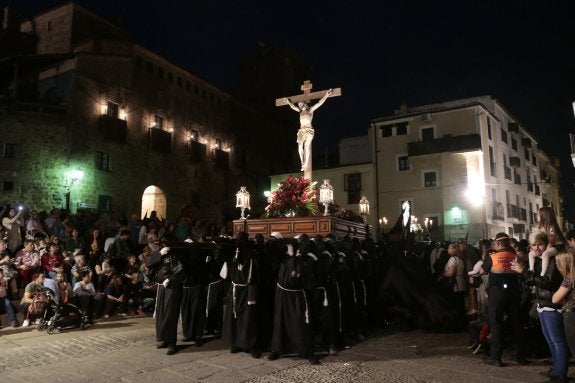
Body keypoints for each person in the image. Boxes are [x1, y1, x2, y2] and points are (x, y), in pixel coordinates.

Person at [512, 232, 568, 382]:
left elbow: (546, 282)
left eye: (540, 244)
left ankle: (561, 373)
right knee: (550, 340)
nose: (536, 248)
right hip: (541, 304)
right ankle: (557, 369)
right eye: (533, 245)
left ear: (546, 244)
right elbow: (533, 281)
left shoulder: (552, 260)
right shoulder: (537, 259)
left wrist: (523, 271)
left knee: (557, 341)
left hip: (551, 304)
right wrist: (522, 272)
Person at [480, 232, 524, 367]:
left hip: (497, 294)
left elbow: (482, 271)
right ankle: (520, 356)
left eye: (494, 243)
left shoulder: (492, 257)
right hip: (513, 293)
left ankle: (496, 357)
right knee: (516, 324)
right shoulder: (516, 257)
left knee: (496, 324)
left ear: (498, 244)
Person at [146, 246, 184, 355]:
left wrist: (171, 279)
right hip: (161, 287)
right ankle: (163, 339)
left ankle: (172, 342)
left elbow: (180, 271)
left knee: (170, 314)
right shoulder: (160, 254)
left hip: (172, 287)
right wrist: (160, 254)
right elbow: (149, 264)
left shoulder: (176, 255)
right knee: (161, 314)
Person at [283, 88, 333, 171]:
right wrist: (288, 102)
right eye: (299, 105)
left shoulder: (310, 110)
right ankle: (302, 162)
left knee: (306, 146)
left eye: (301, 104)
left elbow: (319, 103)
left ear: (305, 105)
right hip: (301, 131)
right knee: (299, 146)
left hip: (309, 130)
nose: (300, 106)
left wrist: (326, 95)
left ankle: (306, 163)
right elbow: (292, 106)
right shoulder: (299, 112)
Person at [529, 207, 565, 277]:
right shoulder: (541, 228)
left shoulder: (552, 228)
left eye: (538, 214)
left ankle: (543, 274)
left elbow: (551, 241)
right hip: (547, 246)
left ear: (544, 216)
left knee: (545, 254)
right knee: (531, 254)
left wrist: (544, 250)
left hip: (556, 246)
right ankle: (531, 269)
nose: (536, 216)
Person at [553, 248, 575, 363]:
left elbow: (555, 299)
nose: (556, 264)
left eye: (558, 262)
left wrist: (564, 301)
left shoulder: (569, 278)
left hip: (571, 316)